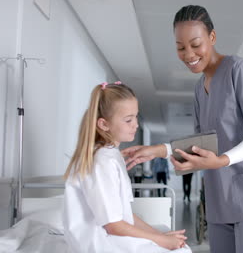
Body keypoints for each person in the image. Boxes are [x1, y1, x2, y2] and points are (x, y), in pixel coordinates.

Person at [122, 5, 243, 253]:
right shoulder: (200, 89)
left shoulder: (238, 70)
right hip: (220, 198)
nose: (188, 54)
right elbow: (202, 143)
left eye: (195, 44)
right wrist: (158, 150)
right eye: (180, 47)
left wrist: (220, 161)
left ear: (212, 37)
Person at [63, 82, 190, 253]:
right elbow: (114, 226)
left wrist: (162, 236)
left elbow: (124, 215)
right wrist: (161, 239)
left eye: (136, 117)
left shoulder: (111, 155)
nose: (136, 125)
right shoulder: (103, 161)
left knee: (179, 248)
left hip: (109, 236)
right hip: (99, 243)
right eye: (128, 119)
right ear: (104, 124)